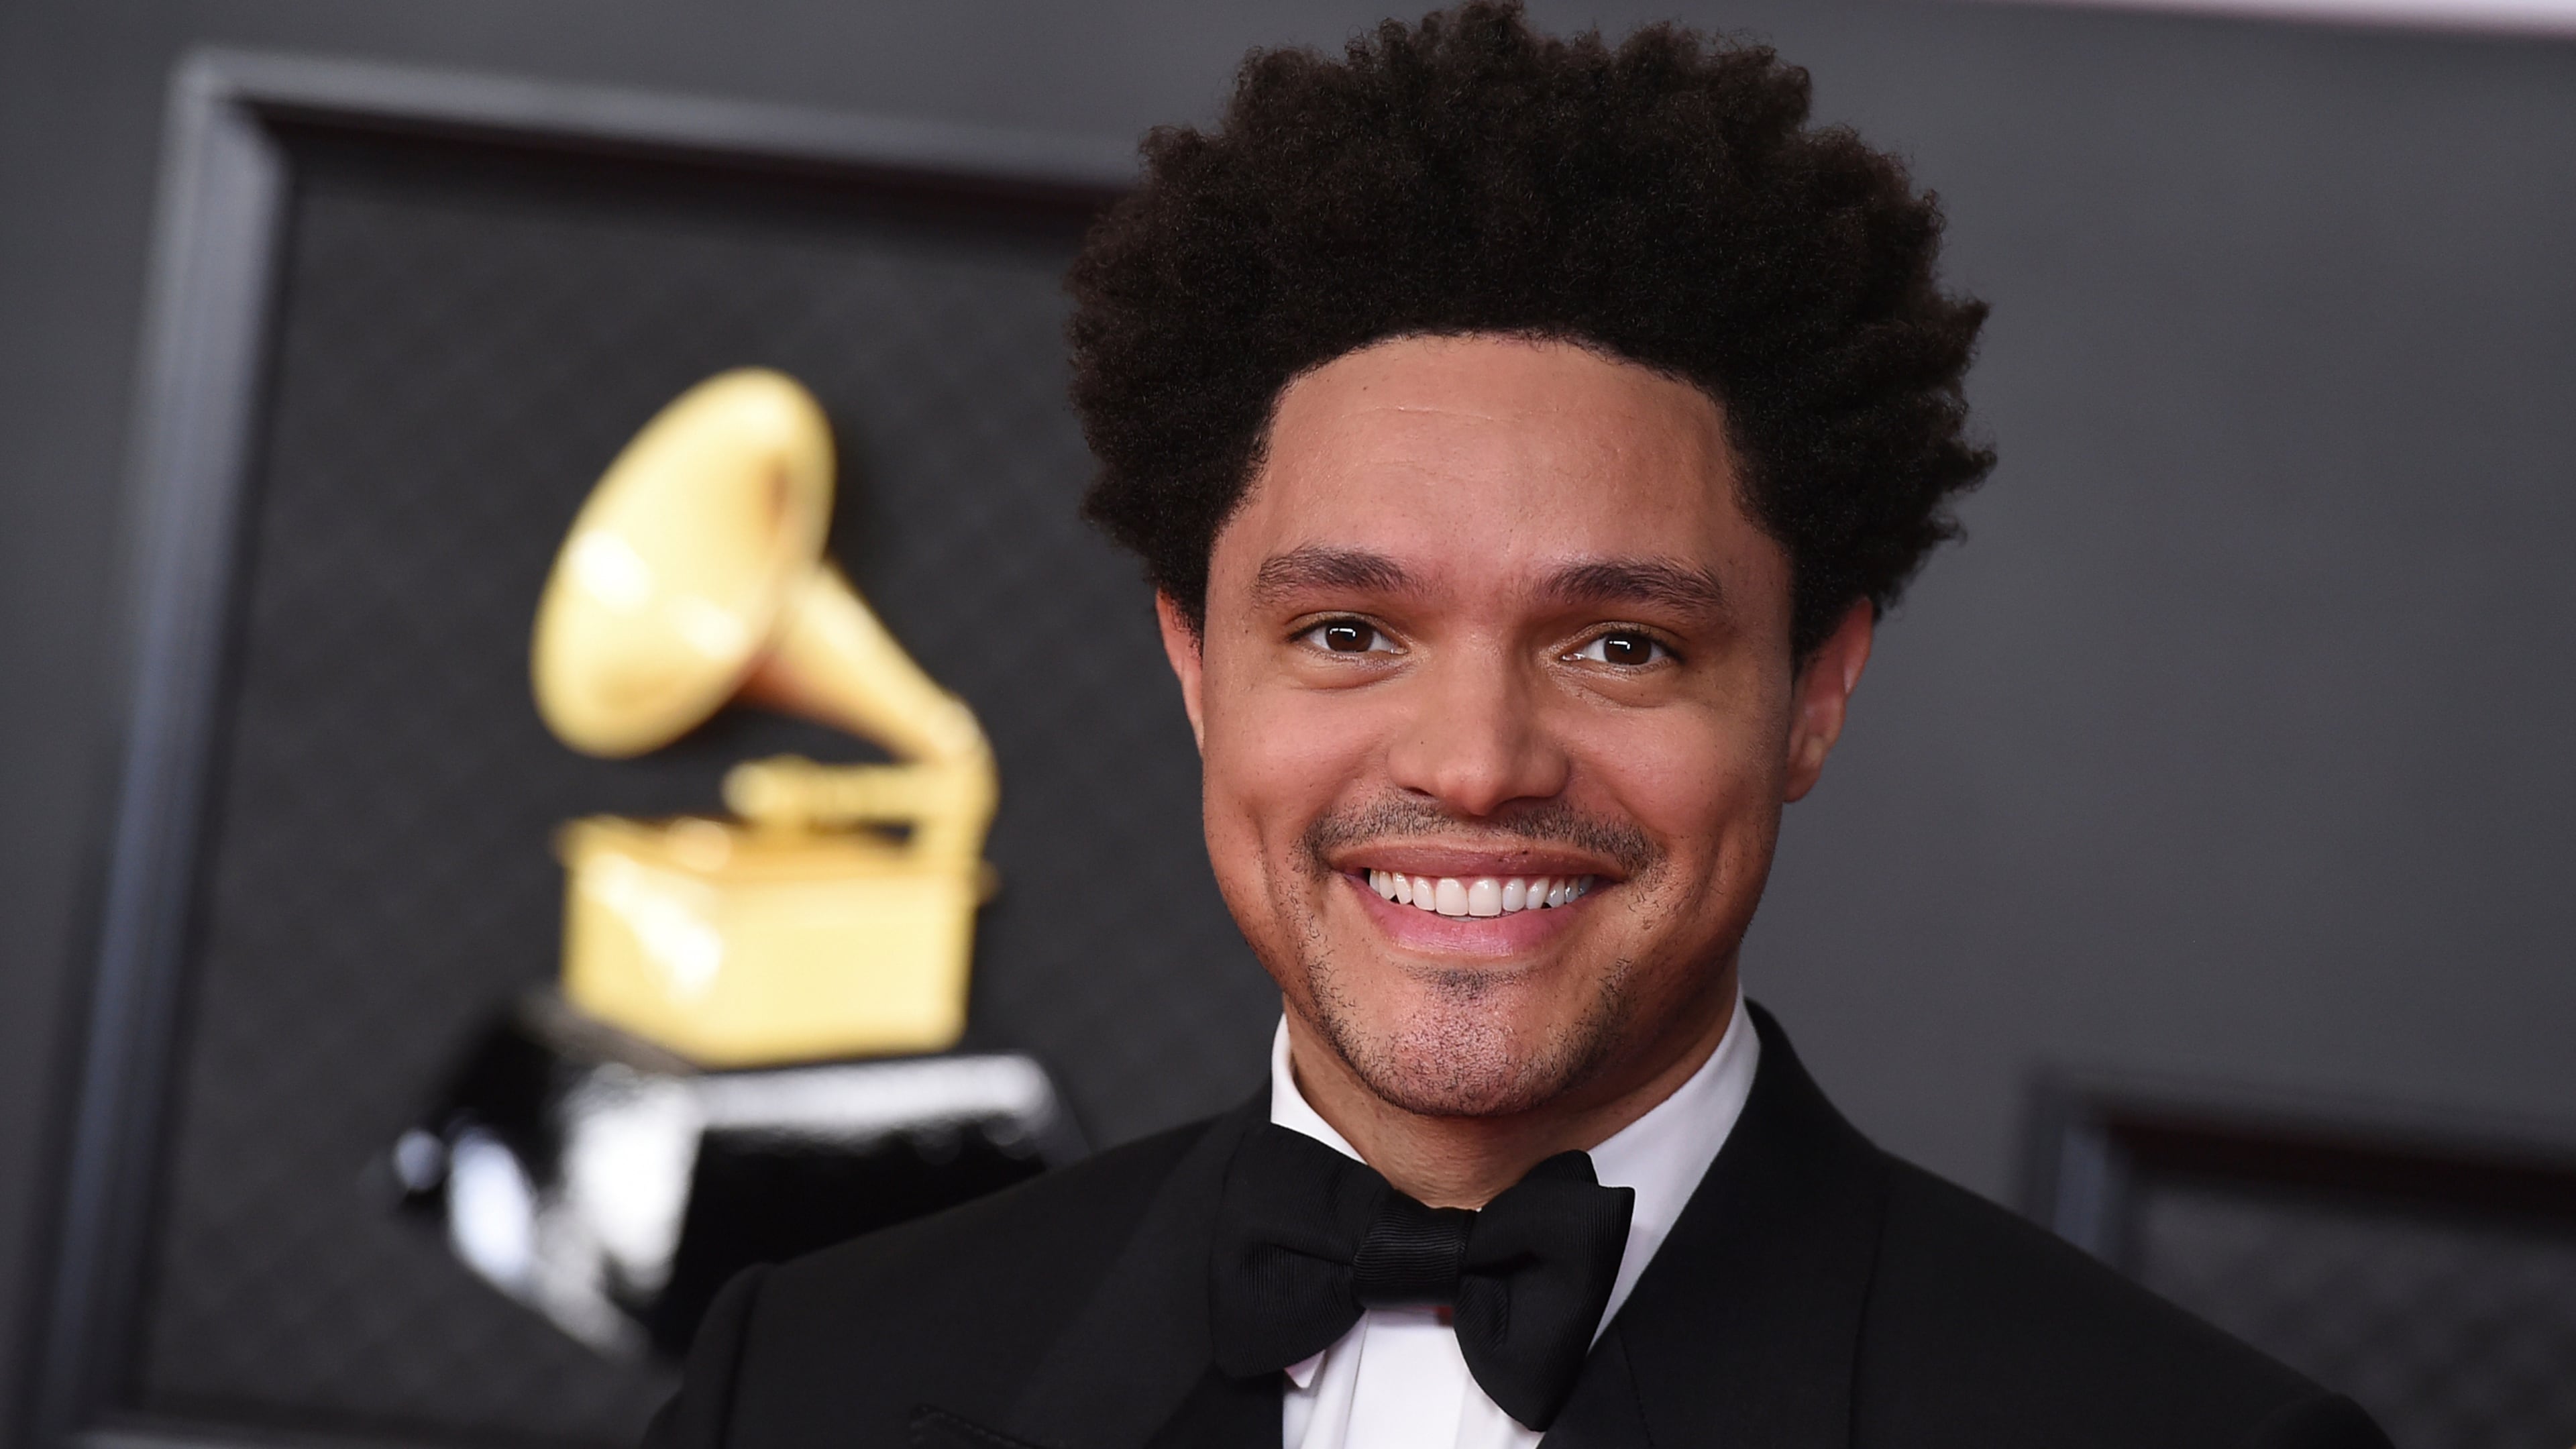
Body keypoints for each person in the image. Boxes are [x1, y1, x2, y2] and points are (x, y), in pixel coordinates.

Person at [644, 5, 2393, 1446]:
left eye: (1619, 645)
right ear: (1195, 667)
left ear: (1816, 692)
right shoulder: (800, 1386)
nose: (1475, 762)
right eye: (1348, 631)